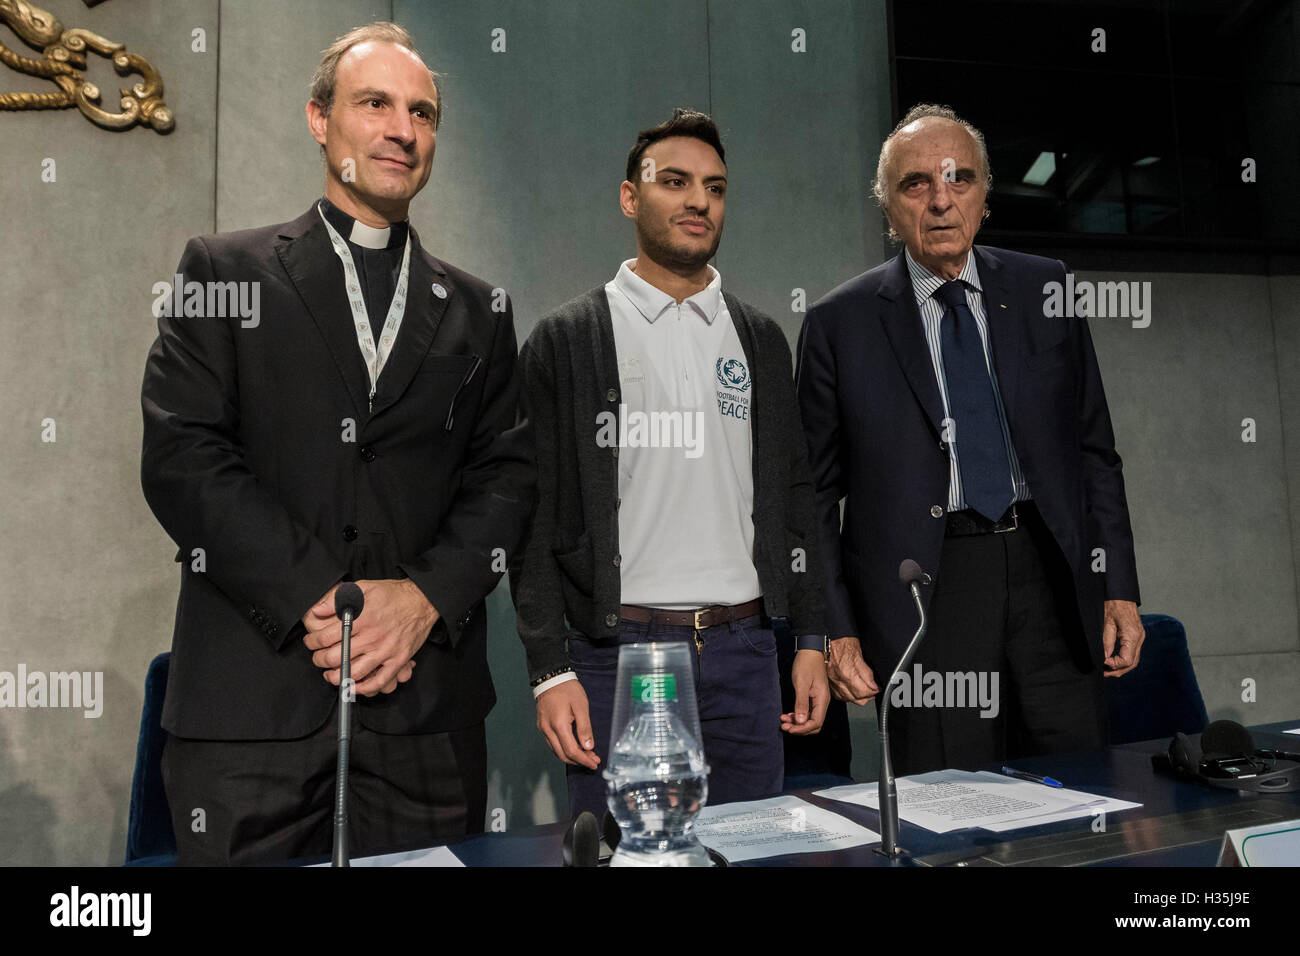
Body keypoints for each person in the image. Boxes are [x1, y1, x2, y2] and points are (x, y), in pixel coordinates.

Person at [140, 22, 533, 864]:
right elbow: (183, 456)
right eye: (376, 104)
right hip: (251, 711)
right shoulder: (223, 271)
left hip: (424, 711)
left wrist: (423, 599)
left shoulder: (480, 310)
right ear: (321, 120)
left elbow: (507, 478)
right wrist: (330, 602)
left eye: (422, 112)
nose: (402, 128)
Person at [796, 103, 1145, 775]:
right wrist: (836, 630)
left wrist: (1119, 586)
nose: (940, 200)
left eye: (959, 179)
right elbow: (810, 500)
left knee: (1076, 789)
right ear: (887, 207)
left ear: (985, 195)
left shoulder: (1048, 287)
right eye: (915, 183)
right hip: (926, 592)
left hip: (1051, 576)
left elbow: (1094, 452)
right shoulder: (839, 324)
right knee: (950, 809)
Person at [512, 109, 828, 819]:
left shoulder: (760, 340)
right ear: (630, 197)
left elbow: (797, 498)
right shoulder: (567, 340)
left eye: (715, 188)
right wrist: (548, 669)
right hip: (620, 654)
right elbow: (528, 522)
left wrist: (810, 638)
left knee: (748, 852)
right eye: (675, 182)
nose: (698, 202)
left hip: (746, 653)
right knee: (632, 863)